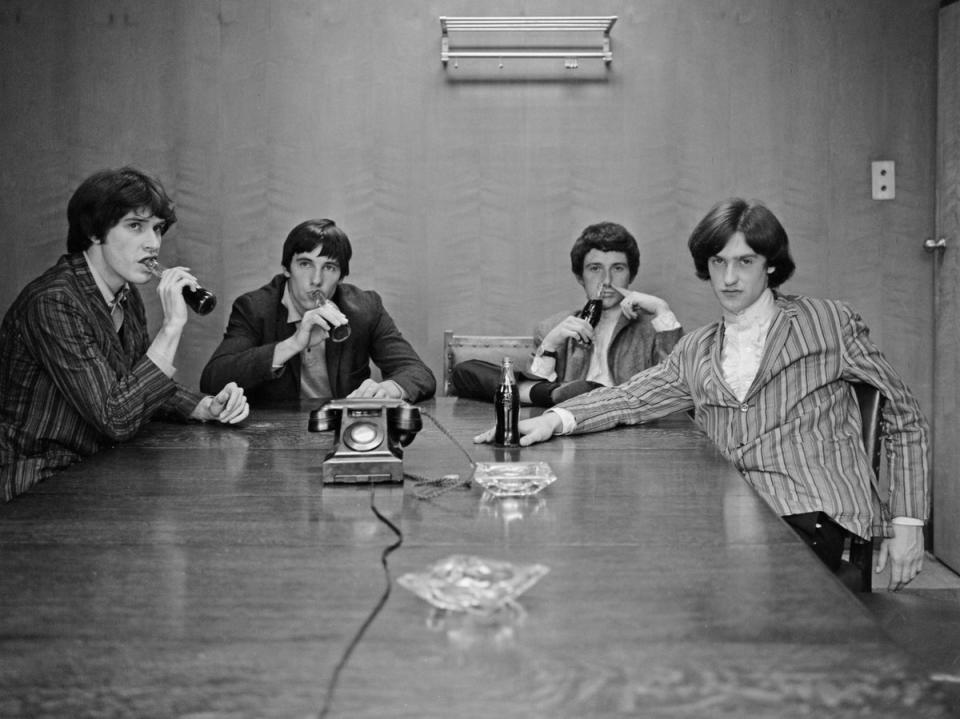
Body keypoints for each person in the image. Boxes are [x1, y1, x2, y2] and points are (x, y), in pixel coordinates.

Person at [475, 198, 929, 591]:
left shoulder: (826, 321)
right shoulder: (698, 347)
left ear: (770, 264)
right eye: (718, 263)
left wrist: (908, 522)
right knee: (631, 566)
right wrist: (550, 421)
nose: (729, 278)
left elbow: (904, 414)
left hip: (810, 509)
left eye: (745, 262)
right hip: (724, 509)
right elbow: (630, 398)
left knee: (718, 587)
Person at [0, 167, 249, 502]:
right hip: (37, 482)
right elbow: (115, 416)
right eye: (135, 226)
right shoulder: (54, 302)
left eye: (157, 229)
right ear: (94, 232)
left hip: (95, 471)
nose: (153, 243)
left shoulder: (126, 295)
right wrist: (172, 326)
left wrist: (205, 406)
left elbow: (133, 383)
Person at [200, 218, 435, 406]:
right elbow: (212, 380)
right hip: (272, 443)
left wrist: (387, 390)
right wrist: (293, 343)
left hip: (343, 432)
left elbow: (419, 373)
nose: (316, 280)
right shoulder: (254, 308)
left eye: (329, 268)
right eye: (305, 264)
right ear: (286, 269)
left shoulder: (365, 307)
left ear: (341, 277)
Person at [451, 221, 682, 406]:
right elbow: (533, 402)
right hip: (569, 426)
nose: (607, 281)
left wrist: (663, 310)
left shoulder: (654, 328)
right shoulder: (552, 327)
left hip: (630, 427)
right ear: (580, 277)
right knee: (469, 372)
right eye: (595, 269)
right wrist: (550, 345)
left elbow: (677, 389)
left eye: (618, 268)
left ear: (630, 276)